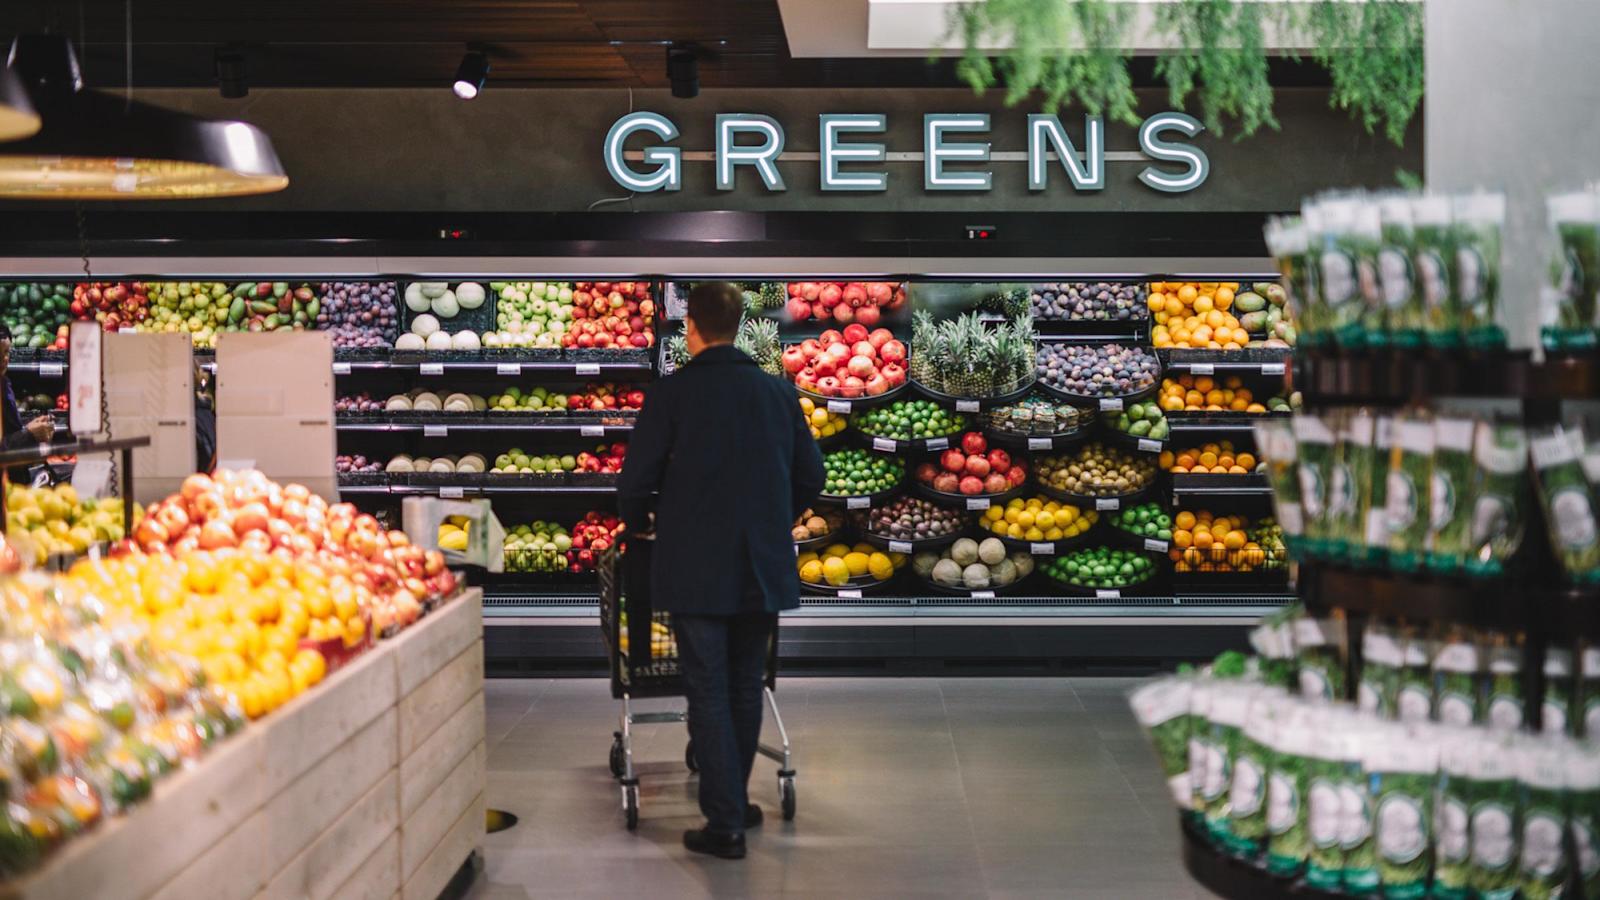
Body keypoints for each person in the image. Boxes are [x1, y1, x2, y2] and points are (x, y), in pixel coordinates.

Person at [617, 282, 824, 860]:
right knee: (744, 684)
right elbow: (812, 476)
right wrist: (773, 517)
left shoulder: (673, 394)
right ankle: (737, 803)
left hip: (695, 564)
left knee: (706, 687)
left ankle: (725, 821)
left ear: (693, 327)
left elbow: (635, 482)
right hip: (761, 564)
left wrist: (639, 522)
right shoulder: (778, 393)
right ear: (736, 326)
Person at [0, 325, 55, 450]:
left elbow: (9, 435)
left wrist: (31, 432)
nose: (4, 359)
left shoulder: (3, 383)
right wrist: (28, 434)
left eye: (6, 352)